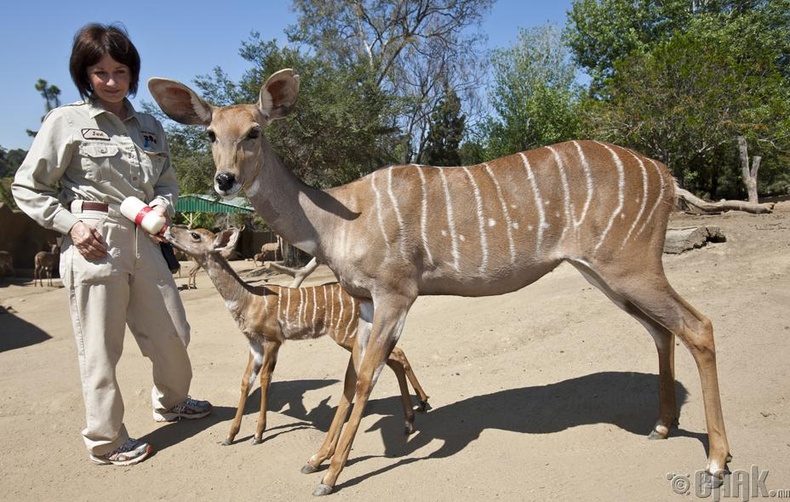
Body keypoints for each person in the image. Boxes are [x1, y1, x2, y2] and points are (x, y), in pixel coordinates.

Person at [12, 23, 211, 466]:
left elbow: (168, 182)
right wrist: (71, 227)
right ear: (85, 75)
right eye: (99, 72)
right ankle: (105, 440)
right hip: (94, 241)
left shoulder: (151, 127)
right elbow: (28, 187)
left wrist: (163, 204)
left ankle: (172, 401)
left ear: (132, 73)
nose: (111, 81)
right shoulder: (66, 122)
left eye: (120, 71)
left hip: (146, 237)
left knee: (174, 332)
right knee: (101, 347)